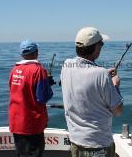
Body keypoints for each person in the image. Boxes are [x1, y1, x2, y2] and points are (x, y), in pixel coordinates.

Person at [61, 27, 123, 157]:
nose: (101, 47)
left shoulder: (66, 65)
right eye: (101, 44)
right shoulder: (100, 74)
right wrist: (115, 85)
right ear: (96, 47)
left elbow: (84, 75)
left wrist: (104, 74)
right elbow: (118, 111)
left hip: (75, 142)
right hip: (98, 145)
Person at [9, 39, 54, 157]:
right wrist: (48, 86)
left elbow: (15, 90)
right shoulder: (38, 70)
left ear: (22, 54)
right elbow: (42, 97)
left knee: (21, 153)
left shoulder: (15, 69)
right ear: (36, 52)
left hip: (16, 121)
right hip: (32, 123)